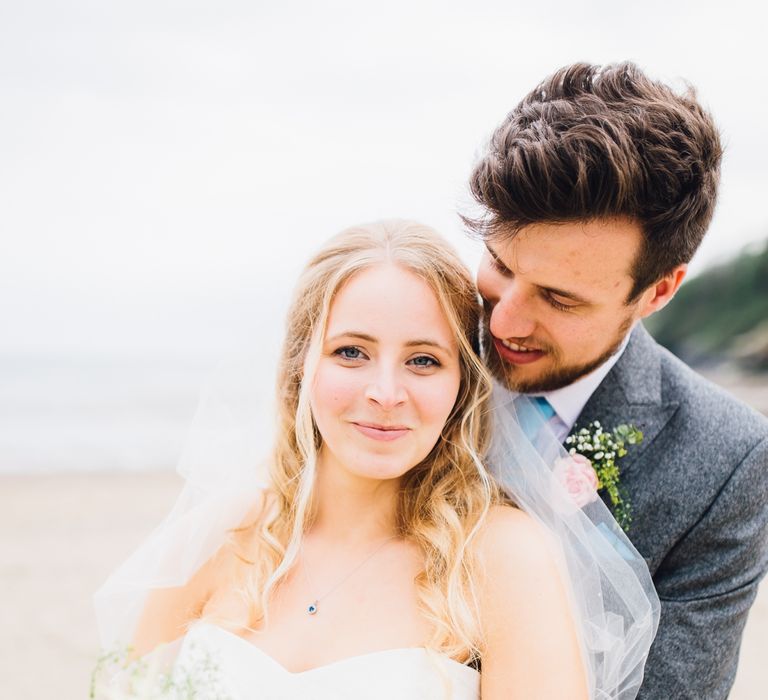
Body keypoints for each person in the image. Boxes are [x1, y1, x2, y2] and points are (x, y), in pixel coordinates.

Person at [95, 220, 658, 699]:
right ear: (302, 365)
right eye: (351, 352)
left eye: (422, 360)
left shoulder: (502, 557)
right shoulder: (222, 534)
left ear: (462, 386)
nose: (386, 392)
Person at [466, 61, 768, 699]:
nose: (506, 319)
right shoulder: (404, 358)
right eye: (499, 264)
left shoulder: (728, 463)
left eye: (559, 298)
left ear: (657, 292)